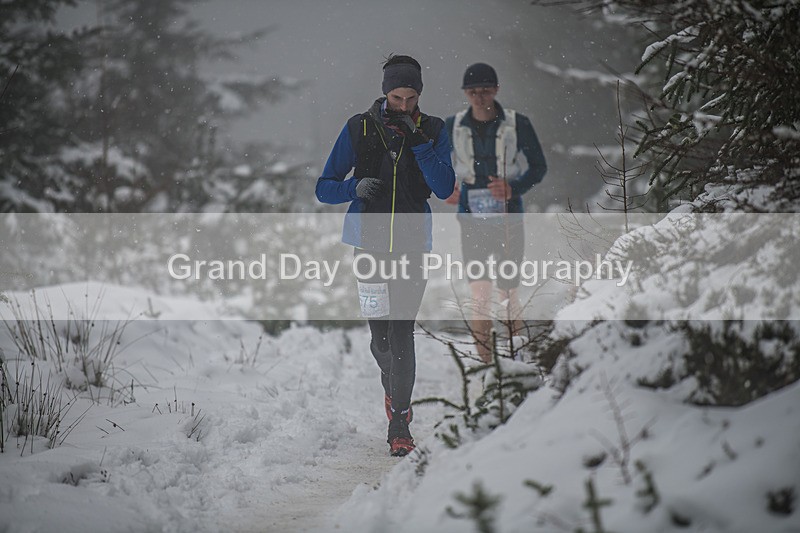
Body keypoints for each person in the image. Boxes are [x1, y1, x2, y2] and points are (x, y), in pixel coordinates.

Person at [316, 54, 455, 456]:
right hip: (369, 247)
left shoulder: (434, 129)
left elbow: (444, 187)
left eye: (411, 98)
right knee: (380, 340)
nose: (404, 105)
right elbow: (324, 187)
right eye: (397, 97)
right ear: (385, 93)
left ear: (419, 95)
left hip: (413, 247)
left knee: (401, 333)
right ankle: (394, 389)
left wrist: (419, 143)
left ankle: (400, 424)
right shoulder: (358, 127)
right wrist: (353, 188)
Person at [445, 62, 547, 363]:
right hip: (471, 219)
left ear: (496, 90)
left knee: (508, 292)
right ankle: (487, 367)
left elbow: (538, 167)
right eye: (473, 92)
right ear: (465, 93)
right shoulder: (452, 126)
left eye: (486, 91)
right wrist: (446, 187)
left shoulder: (517, 124)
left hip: (508, 219)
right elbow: (434, 164)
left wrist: (513, 188)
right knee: (479, 295)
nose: (479, 98)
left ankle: (517, 364)